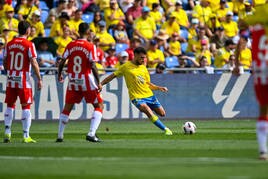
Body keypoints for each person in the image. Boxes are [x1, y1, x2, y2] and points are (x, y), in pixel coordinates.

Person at [101, 47, 173, 135]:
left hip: (149, 95)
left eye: (145, 58)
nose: (144, 60)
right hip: (136, 97)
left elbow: (148, 84)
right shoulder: (126, 66)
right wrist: (101, 83)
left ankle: (150, 112)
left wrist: (159, 87)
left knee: (162, 114)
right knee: (147, 110)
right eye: (142, 58)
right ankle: (166, 129)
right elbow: (112, 76)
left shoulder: (143, 67)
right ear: (135, 55)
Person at [56, 22, 103, 143]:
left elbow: (62, 61)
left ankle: (60, 135)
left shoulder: (71, 44)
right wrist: (98, 82)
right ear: (88, 32)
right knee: (99, 106)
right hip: (86, 79)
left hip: (73, 79)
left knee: (67, 107)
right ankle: (91, 133)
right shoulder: (90, 46)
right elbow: (92, 65)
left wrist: (59, 74)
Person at [233, 4, 268, 160]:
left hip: (260, 67)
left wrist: (235, 64)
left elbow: (241, 34)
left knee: (263, 109)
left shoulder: (255, 20)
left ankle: (263, 150)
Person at [3, 21, 42, 143]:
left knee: (10, 105)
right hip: (23, 79)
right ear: (27, 31)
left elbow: (4, 61)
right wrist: (39, 78)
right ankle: (26, 135)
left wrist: (8, 71)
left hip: (11, 78)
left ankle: (7, 132)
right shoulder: (29, 44)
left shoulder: (9, 44)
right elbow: (34, 62)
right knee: (26, 106)